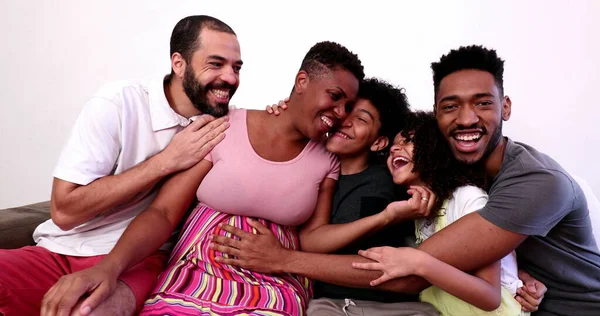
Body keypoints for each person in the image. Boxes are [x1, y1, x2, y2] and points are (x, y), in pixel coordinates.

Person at [41, 41, 367, 315]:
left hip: (273, 280)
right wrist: (109, 267)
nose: (340, 111)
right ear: (302, 82)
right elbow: (163, 213)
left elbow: (313, 238)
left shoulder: (327, 160)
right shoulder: (224, 126)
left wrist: (283, 259)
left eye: (348, 105)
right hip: (196, 270)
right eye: (334, 96)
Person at [0, 15, 233, 316]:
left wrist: (281, 110)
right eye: (216, 64)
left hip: (139, 261)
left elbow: (280, 128)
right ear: (179, 63)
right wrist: (166, 161)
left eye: (236, 67)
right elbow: (64, 212)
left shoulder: (220, 127)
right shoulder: (118, 103)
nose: (231, 77)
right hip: (61, 250)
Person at [353, 45, 600, 315]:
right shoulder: (447, 178)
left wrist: (298, 262)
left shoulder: (537, 180)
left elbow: (413, 272)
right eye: (451, 106)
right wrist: (517, 275)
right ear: (437, 114)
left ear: (505, 107)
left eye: (483, 103)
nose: (467, 119)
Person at [253, 78, 440, 315]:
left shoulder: (377, 184)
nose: (346, 122)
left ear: (379, 142)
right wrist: (283, 116)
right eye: (346, 111)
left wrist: (282, 258)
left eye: (361, 119)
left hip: (368, 305)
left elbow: (315, 244)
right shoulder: (319, 162)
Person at [355, 111, 531, 315]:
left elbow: (490, 297)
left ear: (434, 149)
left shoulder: (467, 198)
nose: (395, 148)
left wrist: (419, 262)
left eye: (409, 141)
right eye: (394, 144)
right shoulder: (417, 210)